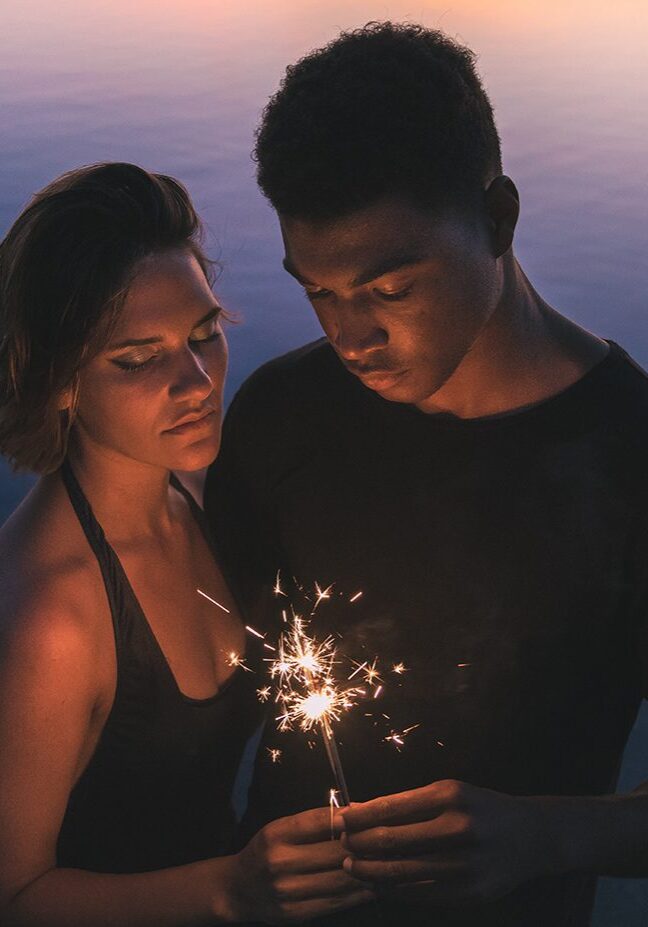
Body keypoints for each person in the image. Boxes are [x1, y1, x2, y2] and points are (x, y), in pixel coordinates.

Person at [204, 22, 648, 927]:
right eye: (316, 290)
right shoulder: (281, 412)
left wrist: (548, 836)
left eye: (391, 288)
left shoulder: (629, 455)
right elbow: (214, 696)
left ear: (499, 218)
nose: (349, 336)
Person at [0, 162, 374, 926]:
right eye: (139, 359)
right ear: (59, 380)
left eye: (204, 334)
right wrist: (229, 889)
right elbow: (13, 895)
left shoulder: (199, 492)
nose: (198, 380)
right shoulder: (54, 621)